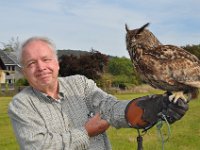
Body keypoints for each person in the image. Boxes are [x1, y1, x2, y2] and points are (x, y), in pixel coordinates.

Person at [8, 36, 189, 150]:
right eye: (31, 63)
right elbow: (39, 146)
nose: (40, 67)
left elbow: (110, 108)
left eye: (46, 59)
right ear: (24, 71)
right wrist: (86, 132)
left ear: (56, 63)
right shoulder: (21, 105)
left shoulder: (80, 84)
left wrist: (150, 107)